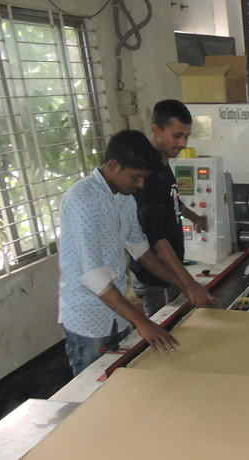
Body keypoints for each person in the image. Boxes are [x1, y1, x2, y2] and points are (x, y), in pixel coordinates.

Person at [58, 129, 193, 376]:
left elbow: (141, 251)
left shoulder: (125, 198)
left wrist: (183, 284)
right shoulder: (82, 200)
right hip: (89, 320)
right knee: (93, 389)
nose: (140, 184)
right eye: (136, 177)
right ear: (113, 165)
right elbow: (94, 277)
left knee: (123, 379)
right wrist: (142, 321)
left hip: (118, 314)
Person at [129, 99, 215, 317]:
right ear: (156, 130)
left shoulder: (163, 163)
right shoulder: (148, 173)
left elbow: (172, 201)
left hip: (169, 274)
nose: (183, 143)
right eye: (177, 135)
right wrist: (188, 281)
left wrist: (195, 217)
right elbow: (155, 235)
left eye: (186, 136)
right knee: (168, 330)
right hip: (157, 280)